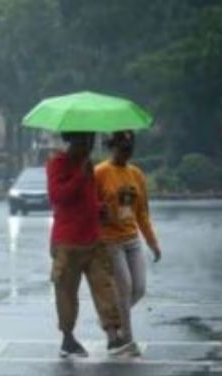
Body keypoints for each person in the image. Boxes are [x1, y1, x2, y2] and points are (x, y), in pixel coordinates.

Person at [47, 131, 129, 357]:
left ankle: (113, 335)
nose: (88, 145)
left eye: (91, 141)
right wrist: (80, 176)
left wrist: (98, 207)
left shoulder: (88, 164)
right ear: (71, 141)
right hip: (67, 242)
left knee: (104, 286)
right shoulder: (58, 163)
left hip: (94, 238)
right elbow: (57, 197)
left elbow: (87, 198)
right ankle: (68, 338)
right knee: (66, 291)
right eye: (83, 140)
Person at [95, 130, 161, 356]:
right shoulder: (100, 172)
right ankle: (127, 340)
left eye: (130, 150)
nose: (126, 154)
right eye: (123, 149)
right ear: (113, 147)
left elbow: (142, 213)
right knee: (124, 289)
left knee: (139, 289)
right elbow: (90, 206)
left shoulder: (136, 174)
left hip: (132, 239)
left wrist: (152, 242)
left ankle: (112, 320)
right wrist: (99, 212)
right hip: (110, 241)